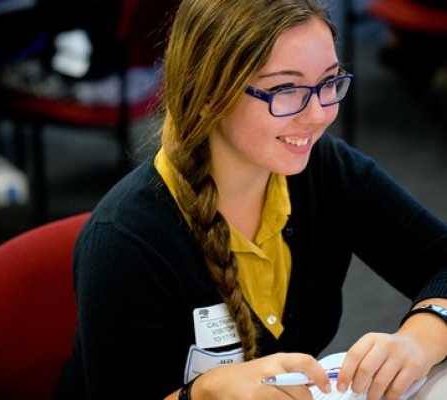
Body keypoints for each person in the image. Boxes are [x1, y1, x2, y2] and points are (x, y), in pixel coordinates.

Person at [52, 0, 447, 399]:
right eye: (285, 90)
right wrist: (203, 393)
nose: (318, 115)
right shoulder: (125, 240)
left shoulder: (325, 169)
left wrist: (421, 336)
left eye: (329, 82)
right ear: (206, 93)